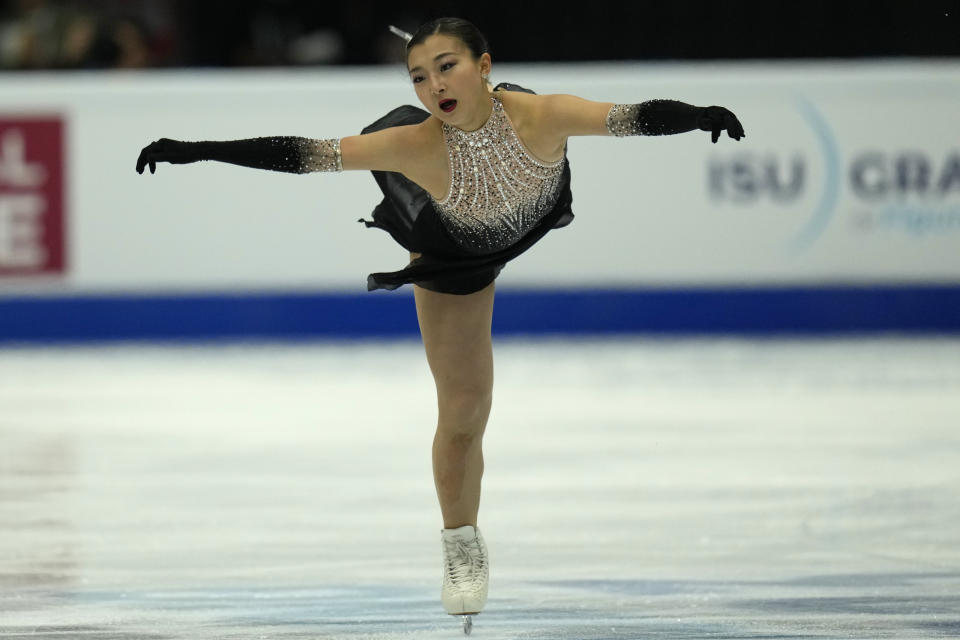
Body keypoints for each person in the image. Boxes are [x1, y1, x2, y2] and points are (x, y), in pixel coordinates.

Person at [135, 16, 744, 632]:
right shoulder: (417, 144)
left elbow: (630, 117)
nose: (433, 86)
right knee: (463, 413)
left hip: (532, 212)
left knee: (468, 406)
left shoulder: (540, 115)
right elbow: (306, 154)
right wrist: (198, 151)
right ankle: (461, 544)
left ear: (483, 66)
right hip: (454, 259)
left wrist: (700, 114)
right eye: (419, 76)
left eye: (446, 66)